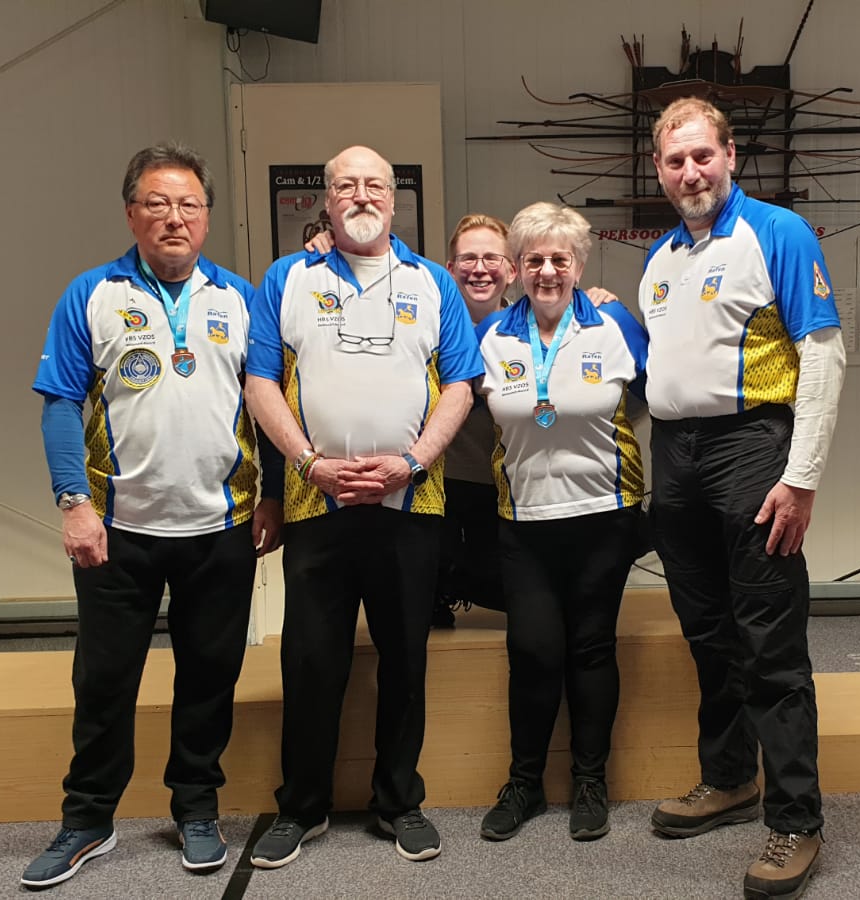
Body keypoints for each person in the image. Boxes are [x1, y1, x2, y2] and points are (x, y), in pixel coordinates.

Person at [23, 141, 284, 888]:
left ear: (206, 217)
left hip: (222, 530)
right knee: (104, 681)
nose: (174, 218)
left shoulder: (239, 298)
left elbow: (265, 406)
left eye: (189, 205)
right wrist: (74, 505)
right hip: (118, 531)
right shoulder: (92, 294)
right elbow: (60, 406)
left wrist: (269, 492)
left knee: (210, 676)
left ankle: (196, 808)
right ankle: (86, 821)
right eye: (157, 204)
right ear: (132, 213)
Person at [242, 145, 484, 867]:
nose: (361, 194)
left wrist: (412, 461)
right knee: (312, 661)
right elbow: (259, 382)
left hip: (411, 503)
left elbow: (463, 384)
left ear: (393, 197)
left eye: (373, 183)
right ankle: (301, 807)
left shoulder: (431, 280)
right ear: (326, 198)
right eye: (346, 183)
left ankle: (398, 801)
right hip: (317, 503)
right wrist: (309, 465)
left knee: (405, 659)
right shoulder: (287, 277)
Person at [639, 97, 846, 900]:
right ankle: (728, 779)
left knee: (770, 644)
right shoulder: (660, 259)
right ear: (658, 171)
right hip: (677, 457)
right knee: (709, 635)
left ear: (730, 156)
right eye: (673, 160)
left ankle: (797, 821)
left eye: (701, 155)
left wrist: (801, 477)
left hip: (752, 448)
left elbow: (823, 357)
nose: (689, 171)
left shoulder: (778, 233)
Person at [307, 215, 621, 627]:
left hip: (509, 488)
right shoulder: (423, 321)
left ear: (512, 269)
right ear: (450, 269)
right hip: (438, 484)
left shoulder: (536, 323)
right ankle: (444, 588)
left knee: (528, 598)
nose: (479, 268)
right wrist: (336, 247)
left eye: (492, 258)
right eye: (467, 259)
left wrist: (586, 297)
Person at [472, 202, 648, 843]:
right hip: (525, 521)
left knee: (591, 648)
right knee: (533, 650)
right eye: (535, 260)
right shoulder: (492, 335)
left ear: (579, 264)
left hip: (604, 516)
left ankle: (589, 782)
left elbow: (664, 397)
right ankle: (523, 785)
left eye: (560, 259)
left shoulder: (615, 323)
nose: (547, 270)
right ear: (516, 269)